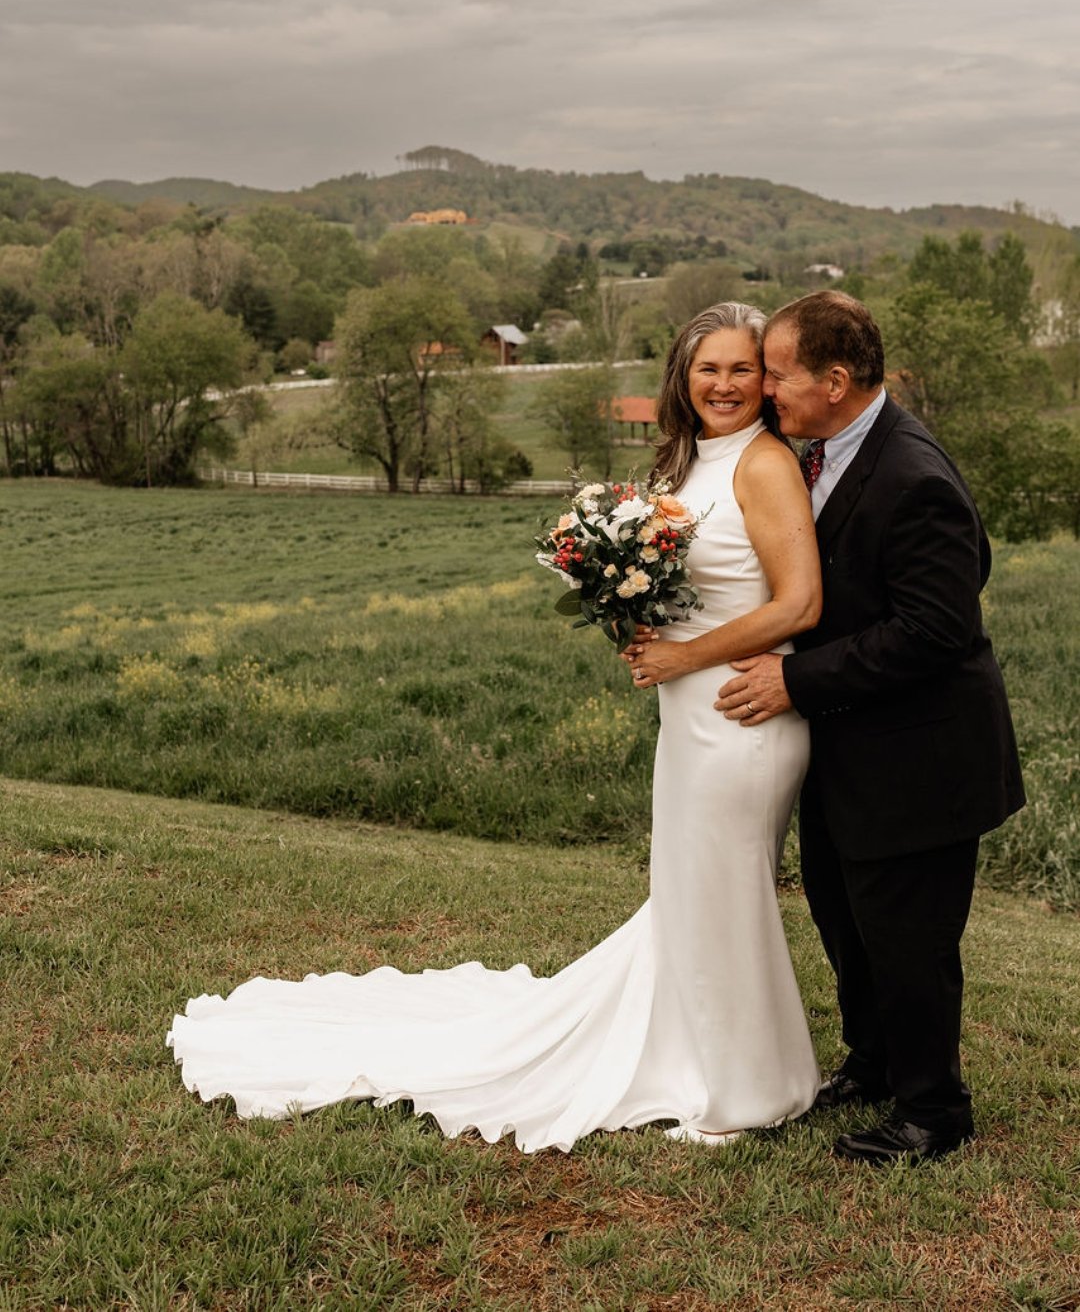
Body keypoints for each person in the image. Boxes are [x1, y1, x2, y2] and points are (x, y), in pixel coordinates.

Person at [168, 302, 825, 1152]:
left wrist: (684, 658)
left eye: (743, 369)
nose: (726, 385)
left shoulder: (766, 465)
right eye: (709, 369)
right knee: (693, 894)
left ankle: (746, 1089)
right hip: (690, 713)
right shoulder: (692, 460)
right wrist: (632, 611)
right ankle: (704, 1054)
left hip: (744, 714)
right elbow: (691, 583)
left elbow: (799, 603)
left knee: (725, 891)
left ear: (765, 381)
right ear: (682, 376)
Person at [715, 291, 1025, 1164]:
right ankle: (876, 1062)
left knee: (908, 942)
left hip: (920, 761)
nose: (766, 389)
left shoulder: (913, 476)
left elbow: (936, 631)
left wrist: (794, 679)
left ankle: (934, 1112)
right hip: (851, 753)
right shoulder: (823, 454)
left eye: (777, 373)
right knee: (847, 919)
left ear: (836, 382)